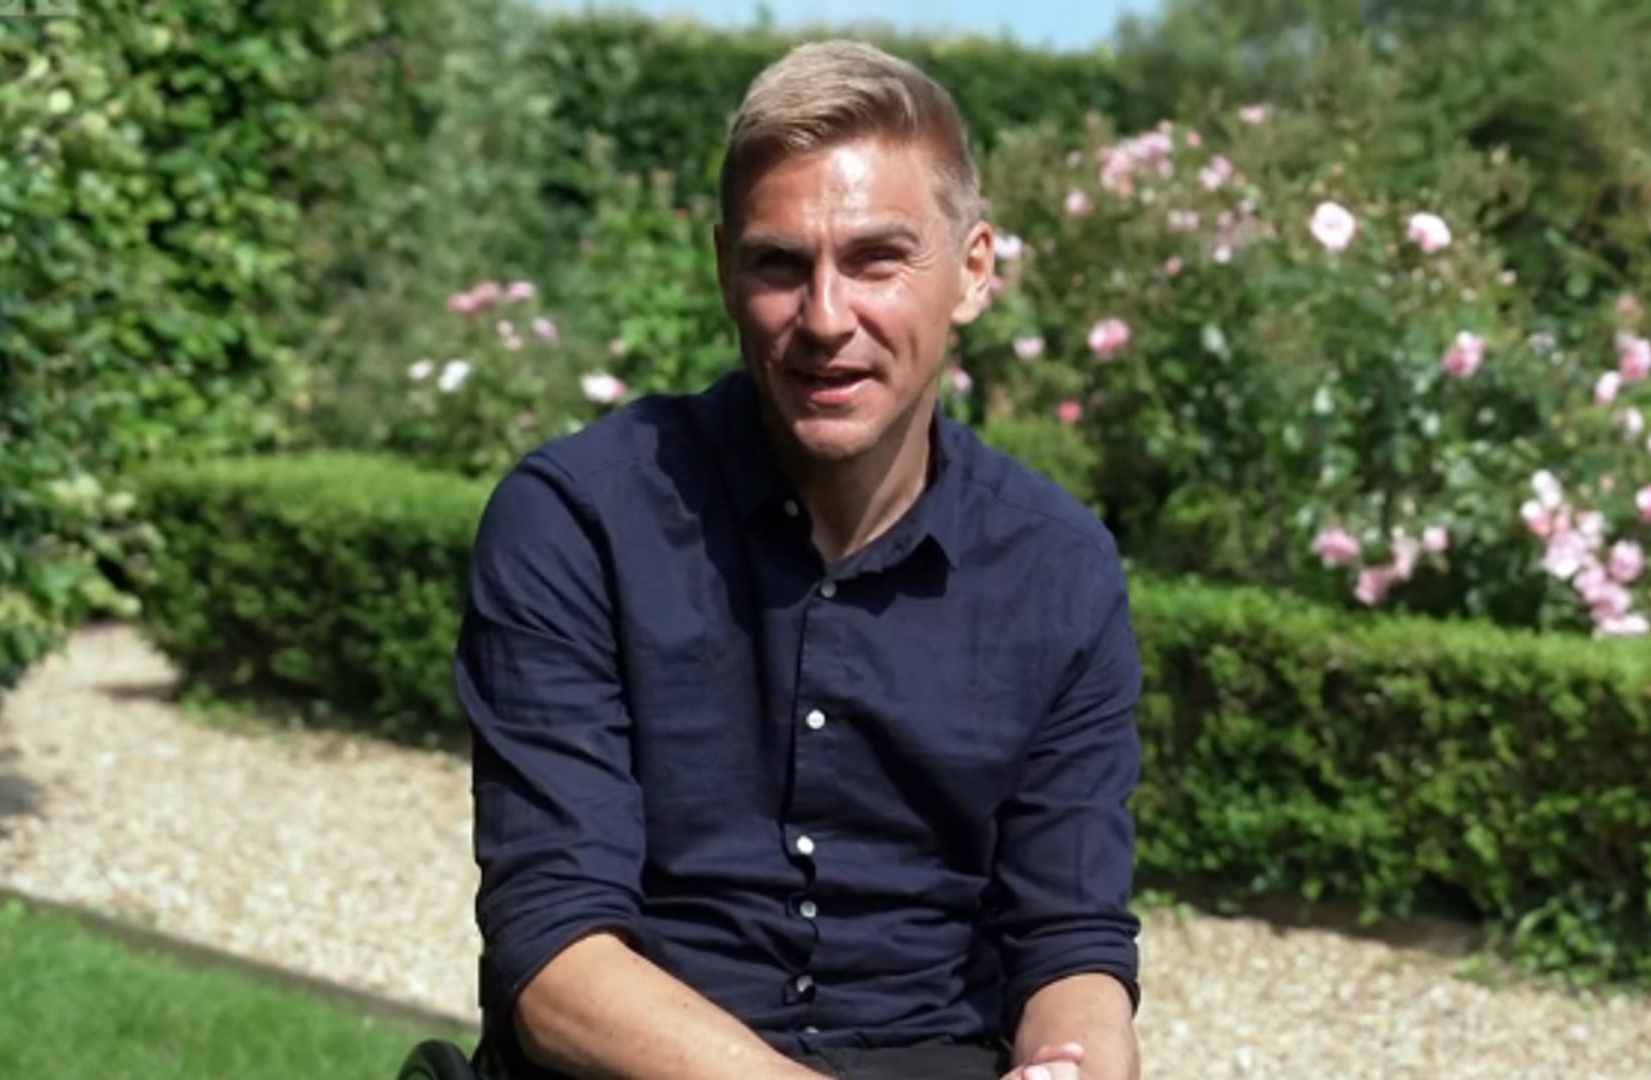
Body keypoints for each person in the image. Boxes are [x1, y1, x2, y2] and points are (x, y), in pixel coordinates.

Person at [454, 38, 1145, 1080]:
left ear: (973, 271)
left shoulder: (1059, 570)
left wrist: (1074, 1061)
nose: (826, 319)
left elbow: (1070, 939)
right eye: (781, 264)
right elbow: (553, 955)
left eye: (876, 259)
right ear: (725, 269)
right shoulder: (577, 523)